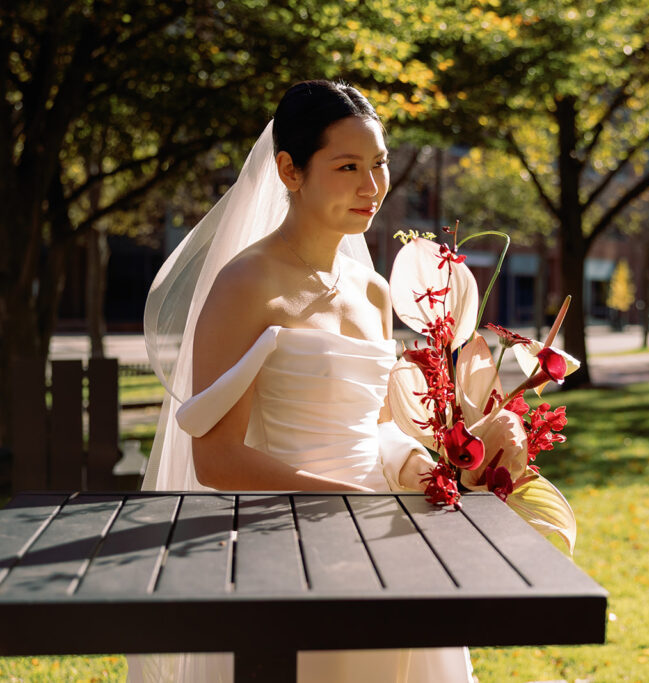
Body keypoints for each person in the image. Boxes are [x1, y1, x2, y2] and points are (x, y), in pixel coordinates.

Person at [129, 80, 473, 682]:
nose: (371, 187)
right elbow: (216, 460)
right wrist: (345, 502)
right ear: (289, 170)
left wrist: (420, 464)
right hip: (286, 535)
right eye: (347, 166)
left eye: (379, 164)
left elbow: (373, 425)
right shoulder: (246, 284)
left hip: (386, 527)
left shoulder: (374, 289)